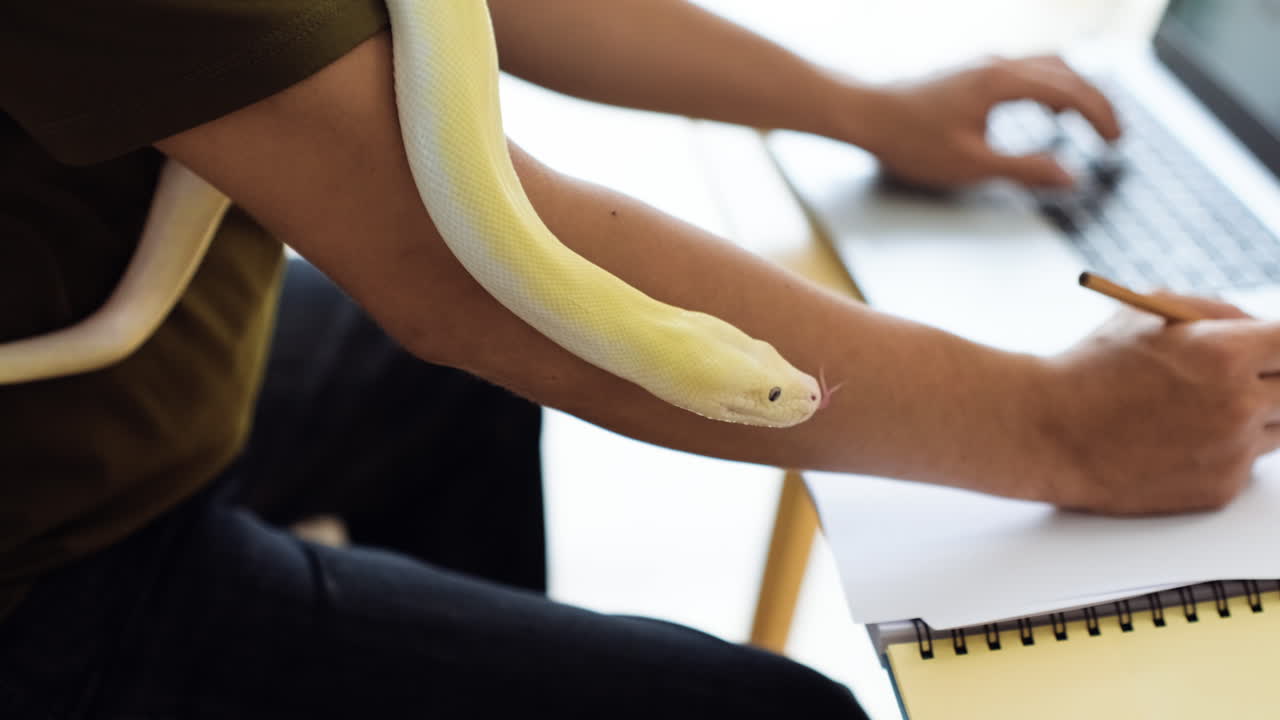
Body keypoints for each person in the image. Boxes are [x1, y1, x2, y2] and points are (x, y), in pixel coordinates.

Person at [3, 0, 1279, 717]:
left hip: (142, 386)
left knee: (445, 408)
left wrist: (855, 105)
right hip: (46, 548)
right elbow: (467, 275)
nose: (787, 397)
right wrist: (1060, 430)